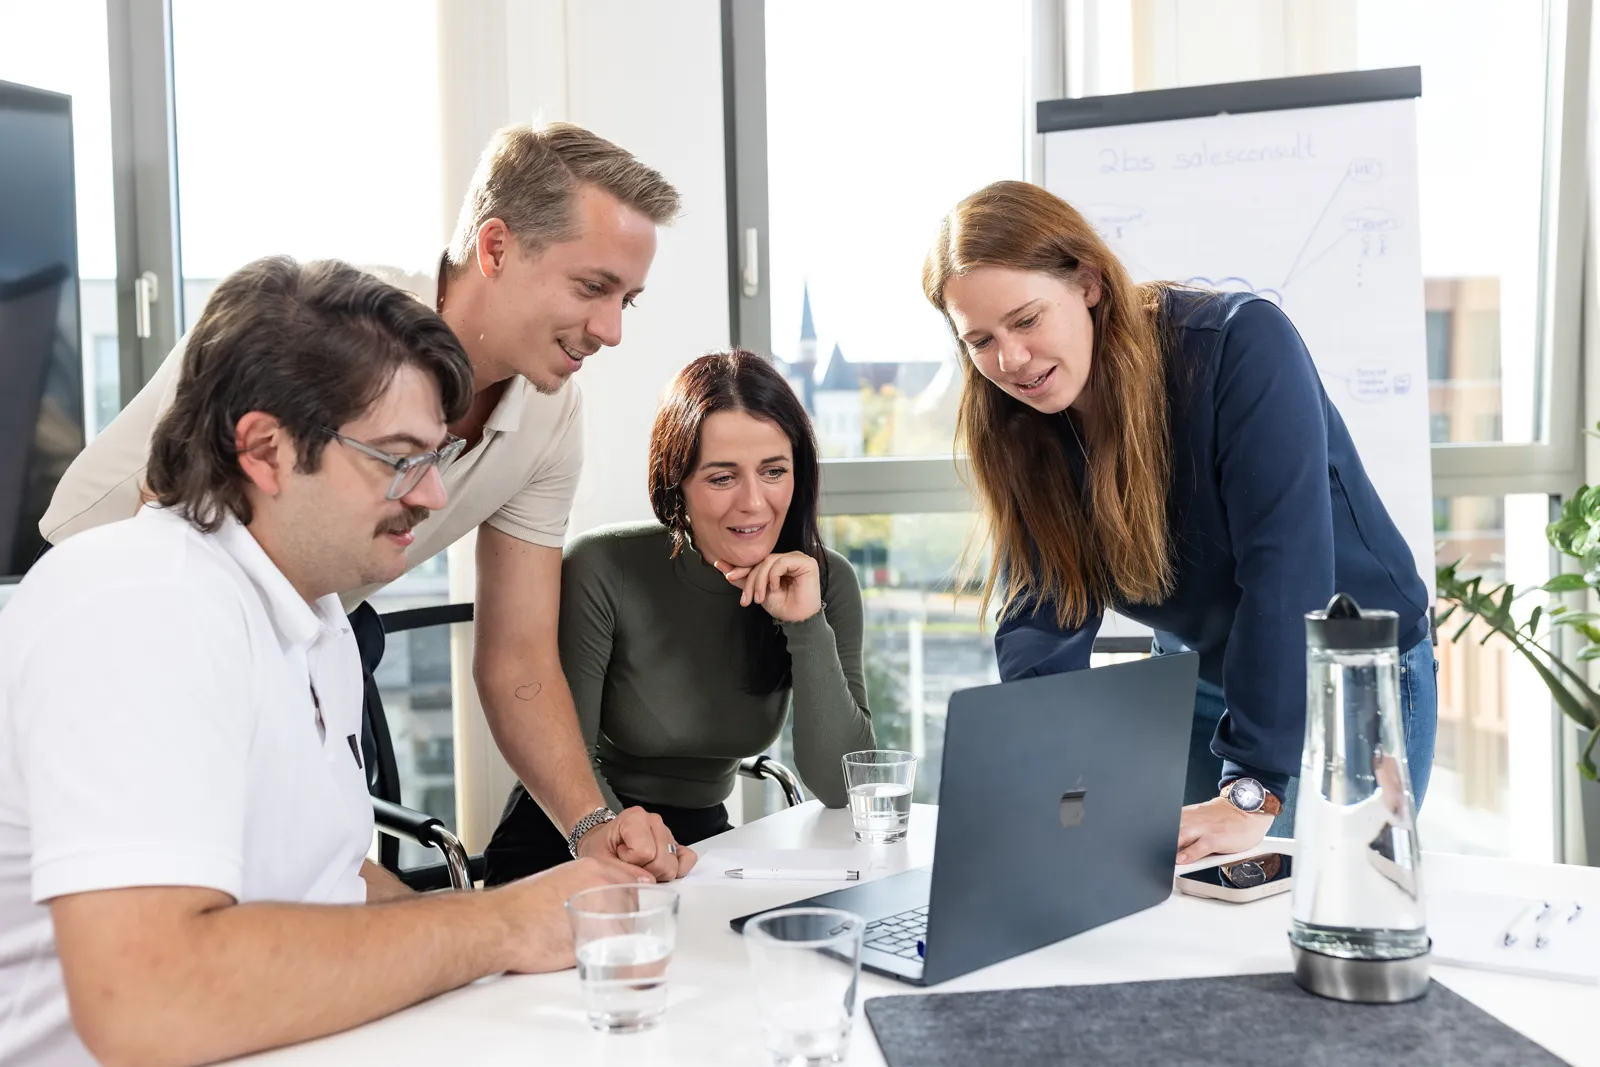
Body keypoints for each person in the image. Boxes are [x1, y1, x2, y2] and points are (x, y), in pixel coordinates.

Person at [0, 257, 651, 1067]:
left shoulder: (314, 617)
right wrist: (505, 922)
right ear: (266, 449)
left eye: (435, 458)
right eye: (398, 457)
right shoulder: (138, 602)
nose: (432, 496)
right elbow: (146, 1000)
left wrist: (520, 939)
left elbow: (335, 880)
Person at [37, 122, 698, 880]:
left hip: (304, 623)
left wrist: (589, 825)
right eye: (591, 287)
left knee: (331, 876)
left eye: (628, 300)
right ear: (495, 248)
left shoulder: (550, 416)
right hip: (130, 603)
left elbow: (518, 654)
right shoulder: (320, 329)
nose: (611, 330)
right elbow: (179, 500)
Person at [920, 180, 1436, 865]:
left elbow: (1285, 574)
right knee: (1181, 915)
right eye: (979, 340)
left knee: (1325, 917)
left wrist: (1254, 785)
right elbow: (1044, 610)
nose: (1008, 360)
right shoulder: (1019, 425)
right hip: (1199, 672)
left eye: (1025, 319)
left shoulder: (1239, 345)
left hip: (1348, 672)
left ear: (1089, 282)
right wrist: (1044, 774)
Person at [483, 350, 876, 883]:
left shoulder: (826, 582)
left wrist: (805, 625)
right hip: (572, 837)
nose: (754, 503)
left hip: (704, 848)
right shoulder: (603, 567)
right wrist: (619, 836)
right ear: (677, 484)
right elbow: (566, 750)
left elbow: (839, 786)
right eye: (721, 478)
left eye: (774, 472)